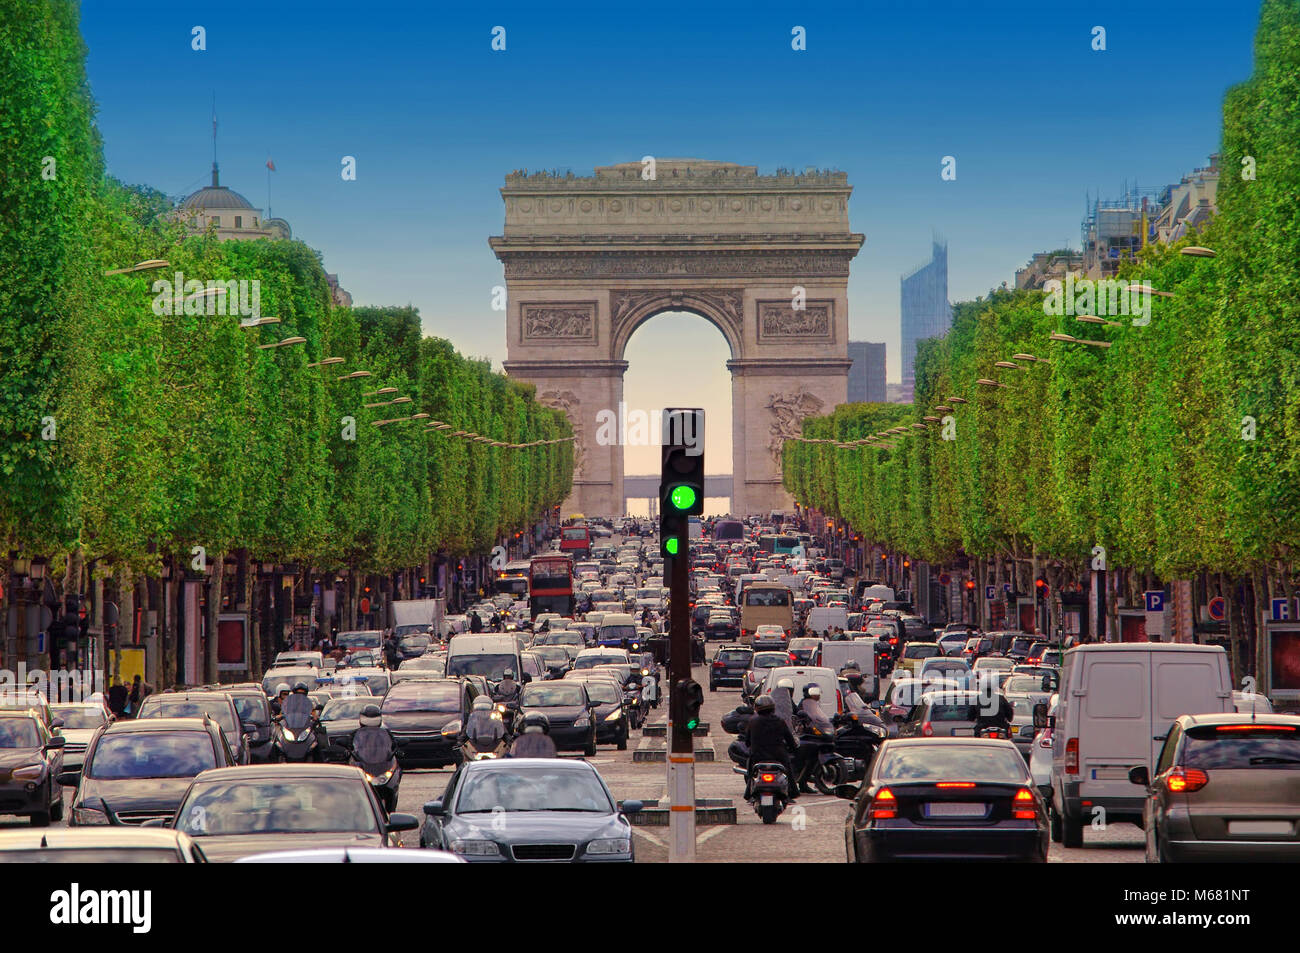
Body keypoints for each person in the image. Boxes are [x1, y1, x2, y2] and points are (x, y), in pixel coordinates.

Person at [741, 694, 798, 800]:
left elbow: (747, 742)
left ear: (757, 708)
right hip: (778, 757)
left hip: (758, 757)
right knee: (788, 769)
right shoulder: (780, 721)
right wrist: (793, 748)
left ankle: (749, 793)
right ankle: (792, 792)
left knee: (751, 771)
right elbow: (790, 740)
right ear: (773, 707)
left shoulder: (753, 721)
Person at [793, 684, 835, 794]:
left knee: (811, 757)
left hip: (810, 735)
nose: (816, 694)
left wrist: (827, 721)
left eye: (817, 692)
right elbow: (800, 716)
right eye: (813, 692)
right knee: (802, 754)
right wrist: (806, 722)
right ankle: (798, 780)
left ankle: (803, 783)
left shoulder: (814, 704)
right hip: (802, 735)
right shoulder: (804, 704)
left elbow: (818, 716)